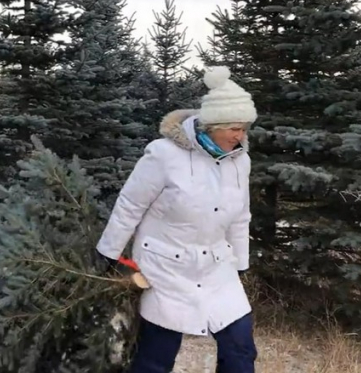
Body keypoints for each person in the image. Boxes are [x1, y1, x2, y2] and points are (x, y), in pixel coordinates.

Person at [96, 66, 259, 373]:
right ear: (213, 125)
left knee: (240, 349)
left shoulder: (241, 160)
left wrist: (241, 262)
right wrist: (108, 252)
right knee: (156, 359)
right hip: (165, 268)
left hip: (216, 268)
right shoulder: (164, 154)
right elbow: (130, 204)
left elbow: (241, 216)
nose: (241, 136)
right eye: (234, 128)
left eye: (245, 128)